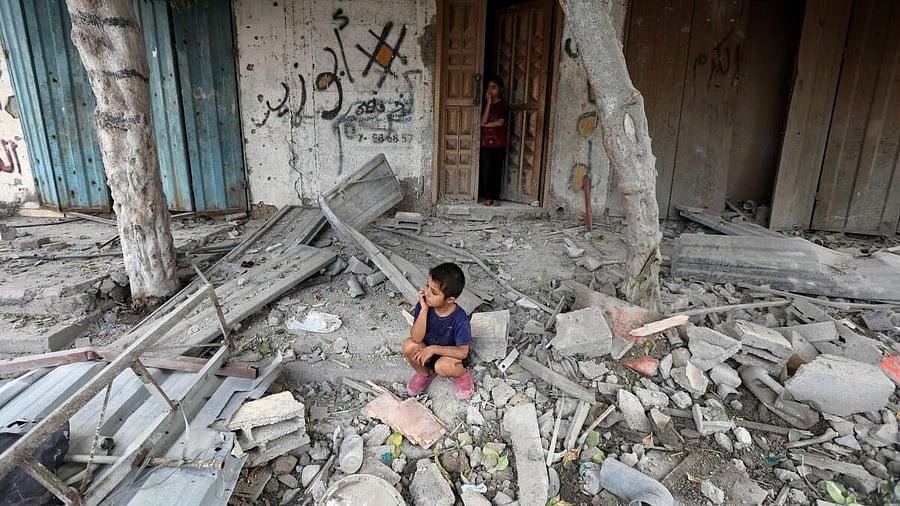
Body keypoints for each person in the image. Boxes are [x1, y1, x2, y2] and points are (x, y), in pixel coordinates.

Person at [401, 262, 475, 400]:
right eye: (427, 286)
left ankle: (462, 375)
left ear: (450, 300)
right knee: (408, 345)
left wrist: (433, 349)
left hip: (449, 357)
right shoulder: (425, 305)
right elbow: (416, 338)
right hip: (427, 352)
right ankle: (425, 374)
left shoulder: (459, 318)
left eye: (434, 292)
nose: (427, 293)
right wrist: (423, 310)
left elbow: (463, 352)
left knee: (442, 366)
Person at [479, 75, 509, 207]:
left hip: (499, 143)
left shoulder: (504, 105)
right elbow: (484, 119)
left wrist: (484, 125)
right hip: (486, 143)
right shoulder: (485, 104)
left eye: (494, 87)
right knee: (487, 171)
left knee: (497, 170)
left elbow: (500, 123)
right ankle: (488, 197)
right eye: (489, 87)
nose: (491, 90)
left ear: (500, 90)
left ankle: (496, 197)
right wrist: (489, 104)